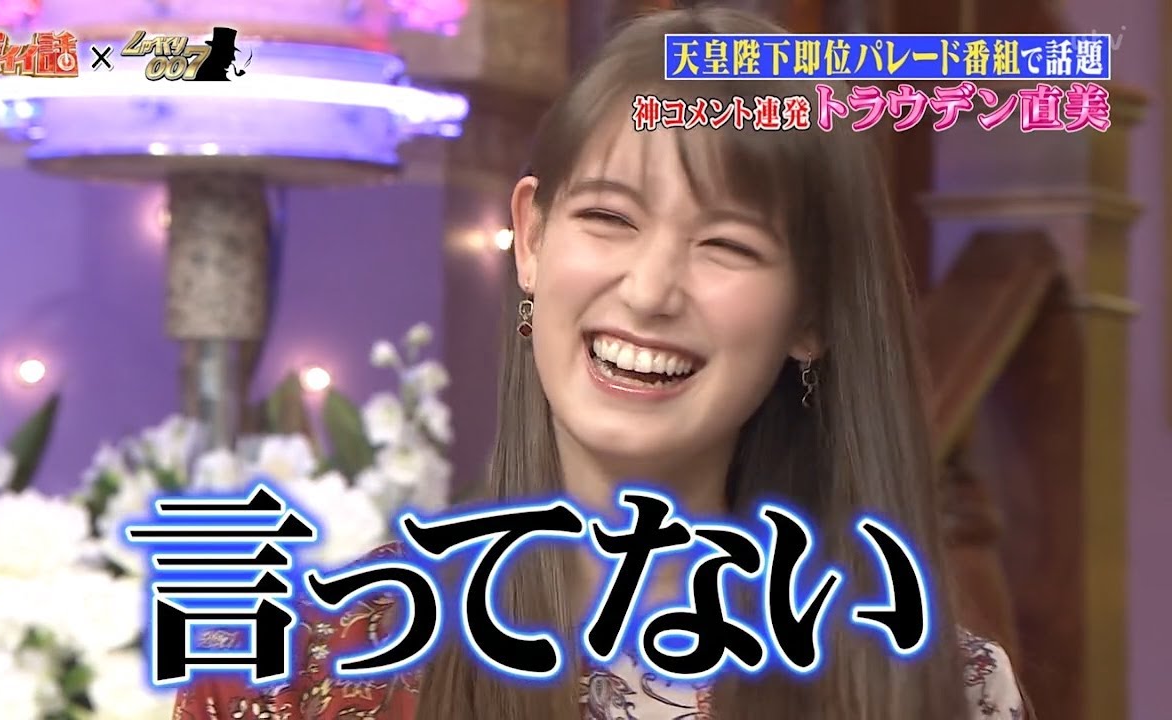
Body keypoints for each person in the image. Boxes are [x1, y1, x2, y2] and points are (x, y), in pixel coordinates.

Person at [172, 6, 1031, 719]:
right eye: (610, 219)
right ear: (532, 238)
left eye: (727, 244)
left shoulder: (948, 693)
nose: (649, 291)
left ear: (810, 314)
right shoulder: (298, 672)